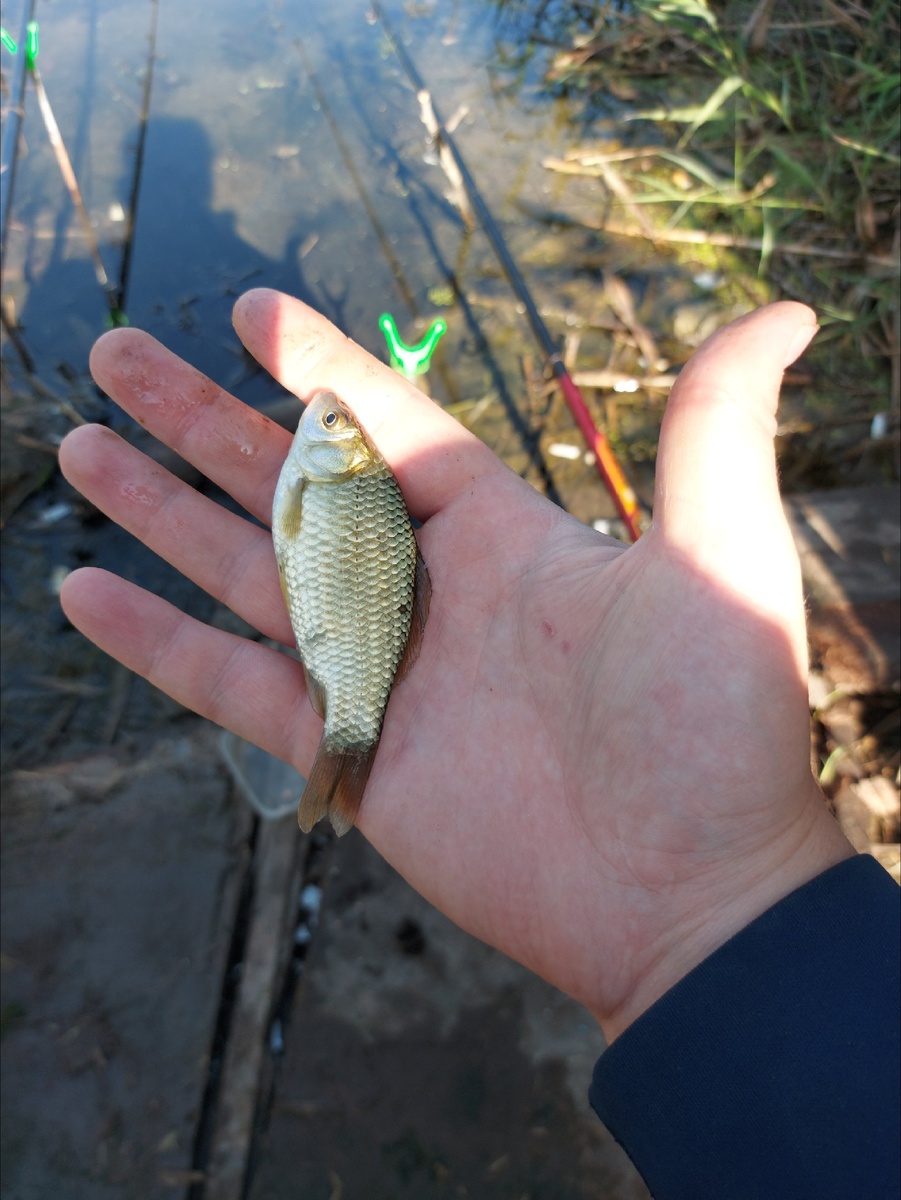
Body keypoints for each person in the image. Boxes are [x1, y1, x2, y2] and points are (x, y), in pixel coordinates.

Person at [58, 292, 899, 1198]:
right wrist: (734, 900)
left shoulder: (330, 478)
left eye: (333, 421)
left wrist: (729, 897)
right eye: (334, 417)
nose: (324, 421)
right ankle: (351, 737)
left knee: (325, 695)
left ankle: (351, 739)